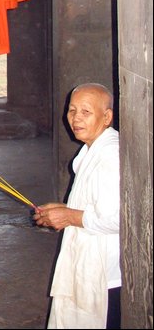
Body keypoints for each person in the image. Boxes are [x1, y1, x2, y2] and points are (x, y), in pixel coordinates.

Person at [33, 83, 121, 329]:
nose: (75, 118)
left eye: (86, 112)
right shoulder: (91, 149)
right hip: (88, 260)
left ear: (107, 117)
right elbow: (94, 202)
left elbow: (117, 218)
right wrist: (61, 209)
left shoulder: (111, 156)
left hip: (105, 272)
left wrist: (70, 216)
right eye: (72, 111)